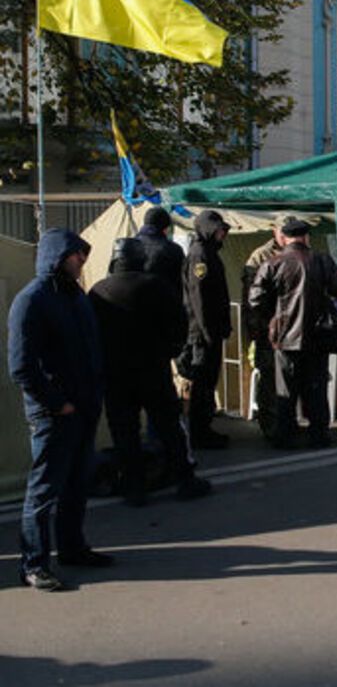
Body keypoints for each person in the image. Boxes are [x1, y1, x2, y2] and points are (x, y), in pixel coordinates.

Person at [8, 229, 110, 591]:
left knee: (76, 484)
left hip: (83, 407)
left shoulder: (75, 297)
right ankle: (33, 565)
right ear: (57, 256)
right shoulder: (32, 300)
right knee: (44, 490)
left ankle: (73, 548)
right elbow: (21, 366)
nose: (81, 260)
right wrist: (57, 404)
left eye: (83, 254)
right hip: (53, 414)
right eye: (75, 255)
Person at [90, 238, 210, 507]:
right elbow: (179, 324)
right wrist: (170, 351)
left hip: (115, 375)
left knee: (124, 430)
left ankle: (134, 487)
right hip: (152, 370)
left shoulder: (98, 291)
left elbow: (90, 335)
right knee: (169, 426)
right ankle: (184, 478)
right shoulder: (155, 286)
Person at [248, 217, 337, 449]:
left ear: (285, 238)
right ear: (306, 237)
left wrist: (272, 319)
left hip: (284, 338)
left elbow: (255, 299)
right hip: (317, 336)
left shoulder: (273, 263)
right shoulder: (322, 260)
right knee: (316, 387)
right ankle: (318, 434)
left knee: (286, 390)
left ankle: (285, 435)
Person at [181, 210, 233, 449]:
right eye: (220, 229)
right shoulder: (200, 255)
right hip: (203, 334)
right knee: (202, 384)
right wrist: (208, 333)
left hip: (209, 331)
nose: (223, 234)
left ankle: (204, 428)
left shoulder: (207, 252)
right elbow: (199, 298)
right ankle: (201, 432)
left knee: (207, 383)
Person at [242, 216, 289, 442]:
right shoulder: (260, 257)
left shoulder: (296, 253)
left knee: (286, 378)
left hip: (289, 329)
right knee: (269, 378)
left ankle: (284, 423)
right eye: (282, 232)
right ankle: (269, 424)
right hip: (266, 328)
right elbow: (251, 298)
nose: (285, 237)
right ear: (274, 232)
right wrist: (255, 329)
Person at [136, 205, 183, 297]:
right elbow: (181, 281)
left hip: (133, 302)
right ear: (165, 227)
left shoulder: (130, 245)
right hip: (164, 302)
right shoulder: (172, 249)